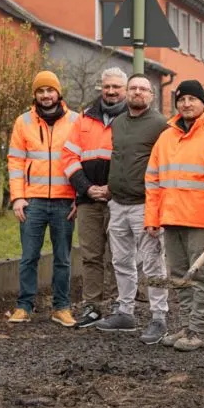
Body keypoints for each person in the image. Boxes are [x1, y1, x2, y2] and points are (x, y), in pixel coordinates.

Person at [94, 73, 170, 344]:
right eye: (133, 88)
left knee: (153, 263)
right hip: (118, 204)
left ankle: (159, 317)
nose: (138, 92)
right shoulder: (118, 123)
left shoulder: (161, 125)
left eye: (143, 89)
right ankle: (125, 311)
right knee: (122, 261)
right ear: (127, 93)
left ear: (151, 95)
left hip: (145, 206)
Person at [145, 79, 204, 352]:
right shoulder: (167, 136)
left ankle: (199, 329)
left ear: (203, 102)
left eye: (192, 99)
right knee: (179, 275)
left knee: (200, 276)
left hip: (203, 218)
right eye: (182, 99)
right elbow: (153, 180)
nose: (187, 104)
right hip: (172, 217)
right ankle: (187, 325)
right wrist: (152, 218)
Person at [7, 70, 78, 325]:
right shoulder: (23, 122)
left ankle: (62, 307)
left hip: (64, 202)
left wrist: (78, 197)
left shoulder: (76, 122)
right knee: (29, 257)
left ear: (58, 93)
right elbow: (15, 161)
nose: (46, 95)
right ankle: (24, 306)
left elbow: (82, 162)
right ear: (35, 95)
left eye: (50, 90)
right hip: (32, 202)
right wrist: (17, 197)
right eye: (41, 91)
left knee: (63, 259)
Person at [63, 67, 126, 328]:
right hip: (88, 200)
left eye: (116, 87)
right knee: (90, 256)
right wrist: (86, 188)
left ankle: (118, 306)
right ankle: (92, 307)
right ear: (101, 87)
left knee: (119, 257)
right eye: (107, 86)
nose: (111, 91)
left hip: (119, 199)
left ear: (124, 89)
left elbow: (135, 161)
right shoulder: (84, 119)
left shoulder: (131, 119)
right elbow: (68, 157)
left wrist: (112, 187)